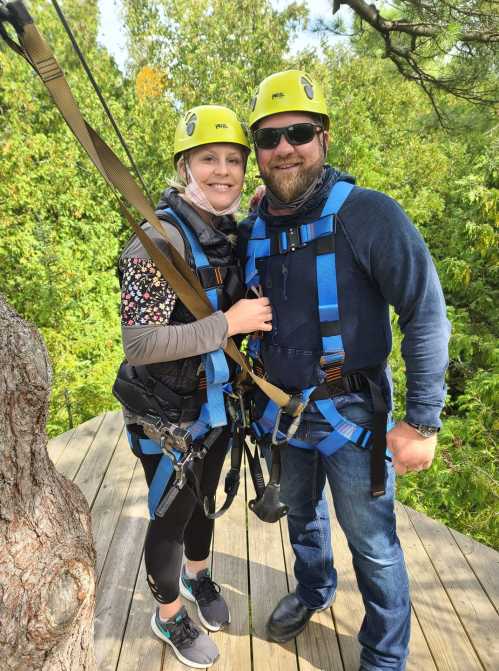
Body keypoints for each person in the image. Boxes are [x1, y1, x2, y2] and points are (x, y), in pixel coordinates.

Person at [239, 71, 451, 671]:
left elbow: (425, 311)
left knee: (374, 545)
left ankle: (384, 656)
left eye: (298, 133)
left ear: (324, 137)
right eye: (269, 138)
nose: (284, 148)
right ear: (257, 153)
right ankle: (314, 590)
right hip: (282, 412)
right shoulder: (256, 227)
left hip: (352, 411)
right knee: (303, 518)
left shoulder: (369, 215)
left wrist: (423, 422)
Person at [115, 104, 271, 669]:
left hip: (217, 400)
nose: (224, 170)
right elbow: (140, 343)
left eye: (234, 160)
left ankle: (198, 578)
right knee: (172, 516)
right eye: (209, 159)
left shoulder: (226, 230)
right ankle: (170, 612)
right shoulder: (156, 243)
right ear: (184, 166)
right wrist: (228, 325)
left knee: (205, 502)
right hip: (166, 412)